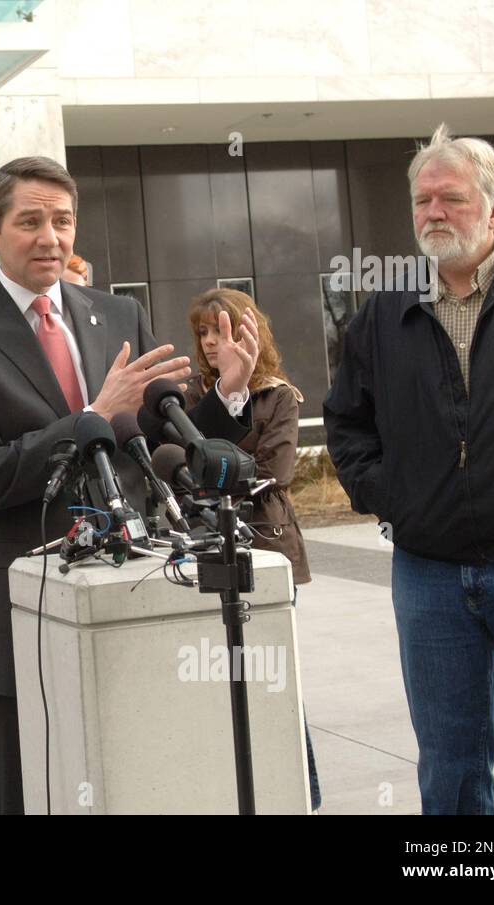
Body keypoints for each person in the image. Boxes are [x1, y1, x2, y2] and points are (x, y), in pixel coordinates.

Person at [0, 156, 260, 814]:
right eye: (30, 221)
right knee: (28, 794)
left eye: (63, 220)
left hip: (127, 593)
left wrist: (227, 395)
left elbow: (166, 435)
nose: (50, 237)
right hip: (19, 606)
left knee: (135, 783)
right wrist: (90, 418)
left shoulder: (117, 312)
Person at [325, 123, 494, 815]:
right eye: (422, 200)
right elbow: (347, 420)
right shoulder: (385, 309)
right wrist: (394, 499)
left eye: (452, 198)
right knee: (450, 768)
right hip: (429, 570)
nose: (434, 213)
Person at [183, 287, 320, 812]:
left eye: (223, 330)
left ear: (250, 331)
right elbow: (178, 471)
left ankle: (302, 794)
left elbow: (275, 473)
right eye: (204, 333)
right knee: (219, 681)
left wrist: (213, 476)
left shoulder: (279, 395)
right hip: (204, 548)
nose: (214, 342)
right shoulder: (193, 397)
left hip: (265, 545)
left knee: (275, 679)